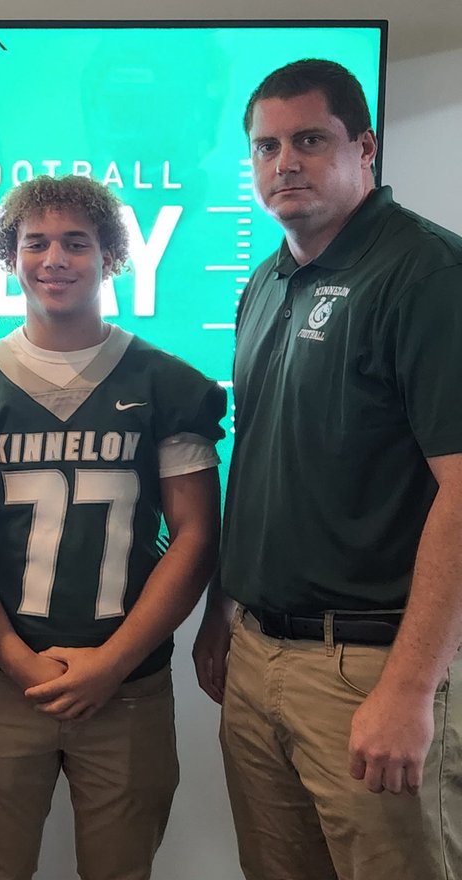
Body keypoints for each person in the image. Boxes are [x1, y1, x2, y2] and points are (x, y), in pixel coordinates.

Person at [193, 58, 462, 880]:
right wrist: (220, 610)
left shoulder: (425, 272)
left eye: (309, 140)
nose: (286, 163)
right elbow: (262, 459)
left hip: (368, 669)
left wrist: (410, 691)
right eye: (266, 147)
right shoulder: (265, 282)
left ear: (365, 147)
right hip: (258, 654)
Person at [0, 174, 225, 880]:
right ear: (11, 254)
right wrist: (15, 656)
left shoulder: (166, 384)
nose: (54, 258)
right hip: (7, 678)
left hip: (129, 684)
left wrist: (115, 661)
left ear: (111, 255)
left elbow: (195, 536)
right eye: (36, 242)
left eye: (75, 242)